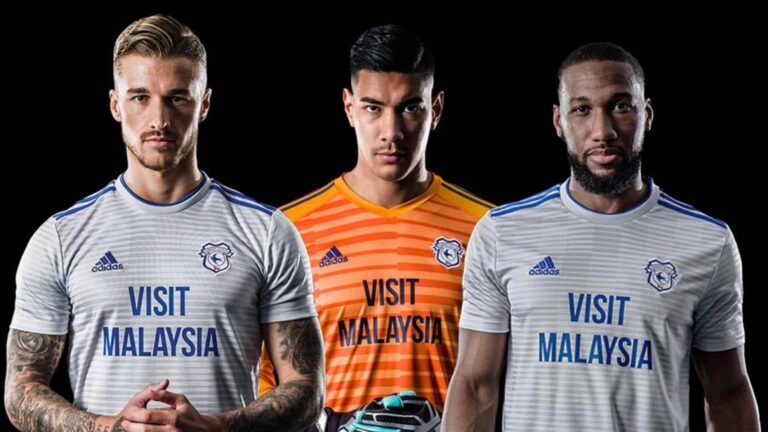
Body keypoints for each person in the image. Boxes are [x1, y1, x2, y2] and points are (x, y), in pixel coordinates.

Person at [4, 14, 324, 432]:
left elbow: (307, 387)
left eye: (177, 98)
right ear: (115, 104)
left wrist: (216, 428)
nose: (159, 120)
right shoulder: (61, 238)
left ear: (204, 104)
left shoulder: (266, 232)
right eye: (140, 97)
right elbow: (21, 391)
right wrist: (109, 427)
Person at [442, 42, 760, 430]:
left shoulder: (707, 242)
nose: (602, 131)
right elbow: (476, 386)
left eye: (620, 106)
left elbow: (727, 393)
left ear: (647, 114)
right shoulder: (501, 233)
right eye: (582, 109)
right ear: (558, 121)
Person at [258, 24, 493, 413]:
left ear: (435, 109)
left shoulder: (486, 228)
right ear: (349, 108)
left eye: (410, 107)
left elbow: (502, 377)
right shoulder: (289, 230)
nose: (392, 131)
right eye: (373, 108)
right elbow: (265, 378)